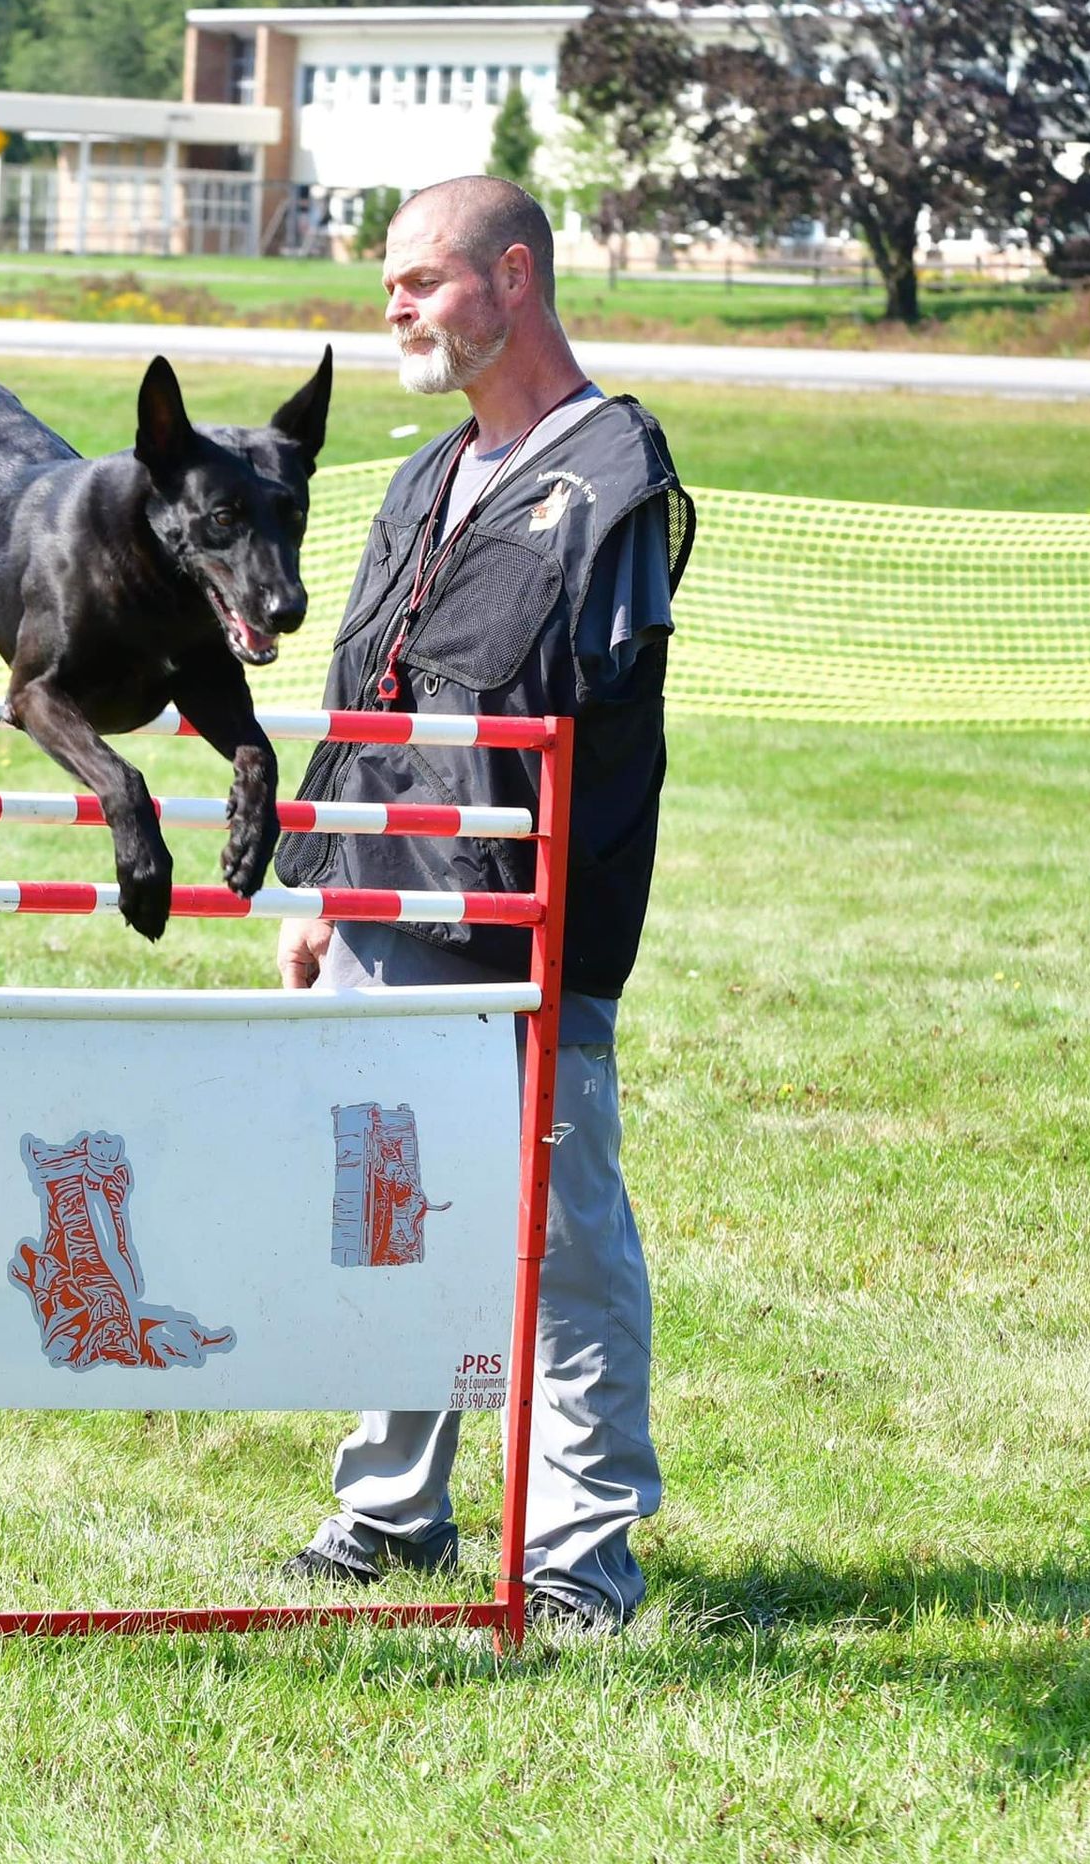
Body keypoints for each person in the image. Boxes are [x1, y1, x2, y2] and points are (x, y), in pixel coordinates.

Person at [273, 176, 695, 1633]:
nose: (392, 305)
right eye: (387, 283)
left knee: (563, 1245)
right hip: (377, 914)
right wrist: (319, 883)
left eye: (423, 279)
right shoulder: (417, 480)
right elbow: (356, 698)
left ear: (514, 281)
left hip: (524, 933)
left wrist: (560, 947)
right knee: (384, 1223)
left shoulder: (614, 481)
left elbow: (615, 739)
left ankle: (581, 1551)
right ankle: (389, 1513)